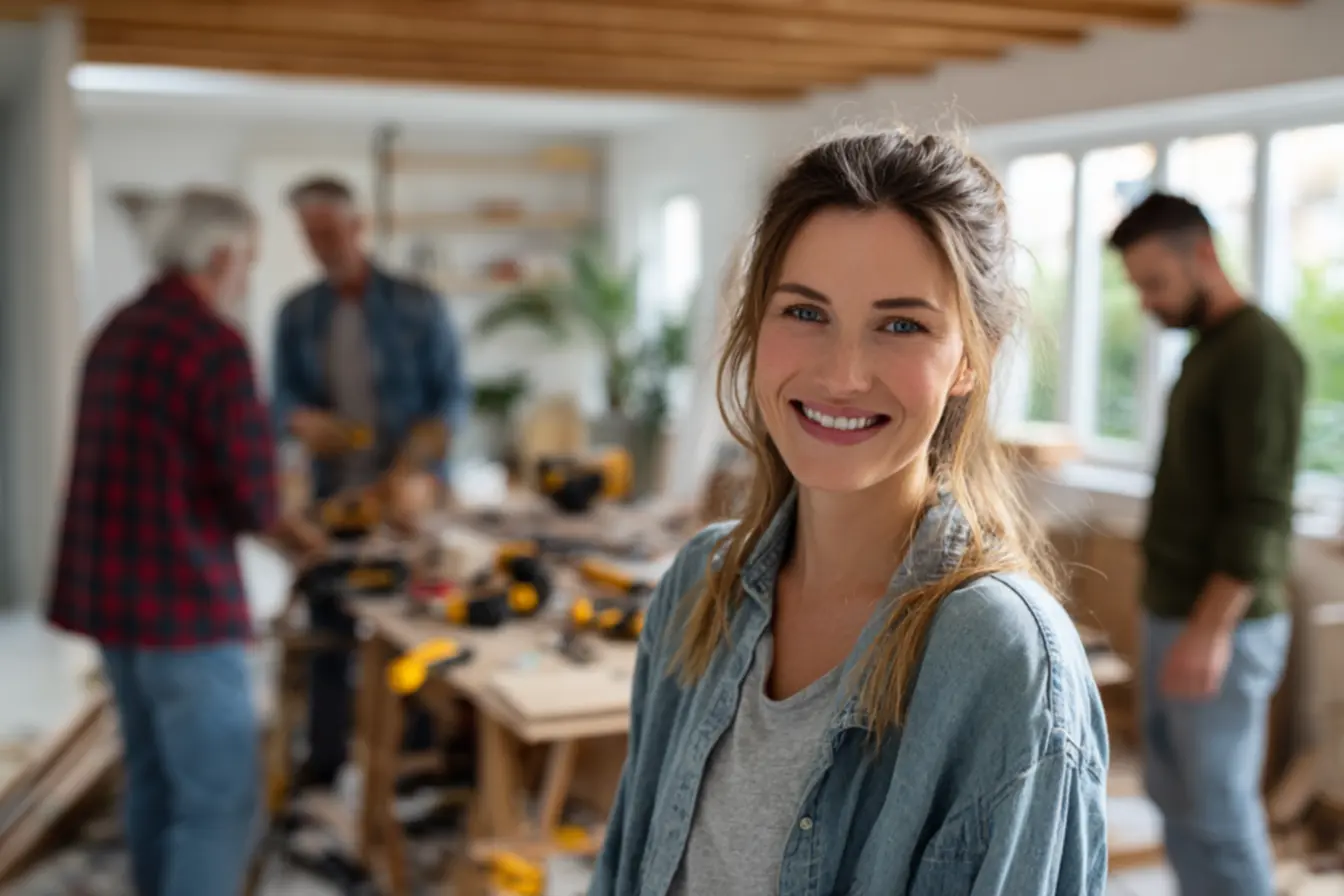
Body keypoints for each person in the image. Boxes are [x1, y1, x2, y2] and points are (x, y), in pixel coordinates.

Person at [589, 130, 1109, 896]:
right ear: (754, 326)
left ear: (971, 358)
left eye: (902, 325)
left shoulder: (1004, 661)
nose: (841, 373)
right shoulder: (700, 586)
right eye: (805, 312)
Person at [47, 188, 323, 896]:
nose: (247, 275)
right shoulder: (215, 344)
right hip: (182, 611)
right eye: (250, 260)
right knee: (219, 800)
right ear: (221, 255)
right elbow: (253, 498)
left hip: (113, 607)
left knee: (153, 780)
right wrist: (306, 542)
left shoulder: (117, 329)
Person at [1109, 192, 1305, 896]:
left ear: (1204, 256)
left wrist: (1209, 630)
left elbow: (1260, 508)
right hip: (1178, 614)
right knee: (1175, 800)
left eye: (1155, 283)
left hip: (1217, 624)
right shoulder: (1211, 350)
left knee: (1218, 814)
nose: (1147, 302)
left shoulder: (1259, 352)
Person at [271, 175, 469, 787]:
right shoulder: (297, 312)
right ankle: (327, 756)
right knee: (331, 619)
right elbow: (279, 399)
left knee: (415, 620)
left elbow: (452, 401)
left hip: (407, 497)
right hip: (335, 496)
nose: (319, 245)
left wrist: (415, 470)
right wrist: (301, 421)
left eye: (329, 232)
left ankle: (418, 754)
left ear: (359, 229)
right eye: (309, 235)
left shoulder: (418, 305)